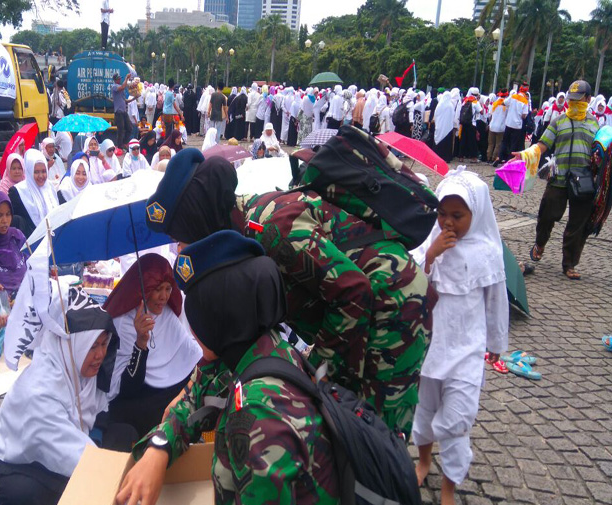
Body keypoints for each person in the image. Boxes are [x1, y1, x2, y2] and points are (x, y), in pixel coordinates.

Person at [146, 149, 436, 437]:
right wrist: (187, 398)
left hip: (393, 301)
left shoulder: (269, 227)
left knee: (376, 435)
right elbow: (235, 338)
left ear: (199, 220)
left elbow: (353, 291)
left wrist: (323, 380)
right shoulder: (237, 236)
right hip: (357, 313)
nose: (181, 247)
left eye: (181, 236)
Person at [115, 231, 339, 505]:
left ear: (221, 318)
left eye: (198, 316)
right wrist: (158, 448)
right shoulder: (253, 348)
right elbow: (194, 400)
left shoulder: (261, 416)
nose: (192, 330)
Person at [0, 270, 136, 505]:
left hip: (69, 444)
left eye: (104, 343)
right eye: (92, 346)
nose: (101, 354)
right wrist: (119, 482)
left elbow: (96, 411)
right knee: (40, 498)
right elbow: (72, 453)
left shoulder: (79, 366)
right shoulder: (40, 390)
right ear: (71, 345)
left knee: (127, 433)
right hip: (18, 462)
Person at [410, 169, 508, 505]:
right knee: (423, 412)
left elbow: (496, 301)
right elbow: (408, 276)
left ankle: (449, 488)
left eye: (457, 216)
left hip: (467, 349)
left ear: (476, 214)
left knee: (457, 418)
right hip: (430, 346)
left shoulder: (488, 251)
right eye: (442, 214)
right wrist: (431, 255)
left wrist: (497, 342)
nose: (448, 222)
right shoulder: (432, 239)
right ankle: (423, 460)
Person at [102, 254, 202, 436]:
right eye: (157, 289)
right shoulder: (123, 322)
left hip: (167, 392)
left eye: (168, 288)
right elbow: (127, 388)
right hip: (138, 395)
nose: (164, 297)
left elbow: (191, 359)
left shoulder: (166, 314)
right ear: (143, 290)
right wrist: (141, 343)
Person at [521, 80, 600, 280]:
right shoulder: (559, 121)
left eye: (579, 100)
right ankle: (540, 243)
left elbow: (600, 153)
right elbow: (543, 144)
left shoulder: (594, 124)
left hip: (583, 181)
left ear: (588, 100)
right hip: (559, 178)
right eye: (571, 100)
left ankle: (569, 264)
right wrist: (526, 154)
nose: (574, 103)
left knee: (577, 223)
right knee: (547, 214)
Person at [9, 150, 60, 237]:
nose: (41, 176)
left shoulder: (50, 187)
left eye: (44, 171)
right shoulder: (18, 192)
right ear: (29, 171)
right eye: (36, 172)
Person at [498, 84, 530, 162]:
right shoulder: (525, 101)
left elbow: (503, 103)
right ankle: (509, 160)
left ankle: (499, 157)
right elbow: (524, 115)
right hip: (517, 125)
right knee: (513, 143)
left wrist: (511, 108)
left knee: (505, 141)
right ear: (526, 91)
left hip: (508, 122)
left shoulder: (513, 96)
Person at [458, 88, 482, 163]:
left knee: (463, 140)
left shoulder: (465, 100)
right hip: (472, 123)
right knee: (472, 141)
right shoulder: (475, 102)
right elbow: (481, 111)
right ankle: (473, 157)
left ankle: (461, 156)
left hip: (464, 123)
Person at [431, 91, 455, 163]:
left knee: (438, 140)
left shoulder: (440, 105)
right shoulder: (450, 105)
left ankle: (436, 156)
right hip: (448, 127)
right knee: (447, 142)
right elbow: (452, 116)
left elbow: (436, 114)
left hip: (440, 125)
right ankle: (446, 157)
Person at [111, 72, 132, 149]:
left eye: (120, 78)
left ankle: (124, 143)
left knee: (129, 128)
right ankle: (120, 146)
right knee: (121, 129)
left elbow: (124, 100)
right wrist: (126, 78)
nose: (120, 79)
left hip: (123, 111)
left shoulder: (120, 87)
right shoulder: (114, 87)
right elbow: (123, 87)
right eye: (118, 78)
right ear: (115, 80)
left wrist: (134, 98)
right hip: (118, 112)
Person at [487, 89, 509, 164]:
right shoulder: (506, 105)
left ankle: (488, 158)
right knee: (498, 144)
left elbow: (490, 115)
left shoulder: (494, 103)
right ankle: (494, 158)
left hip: (492, 126)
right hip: (501, 127)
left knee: (490, 143)